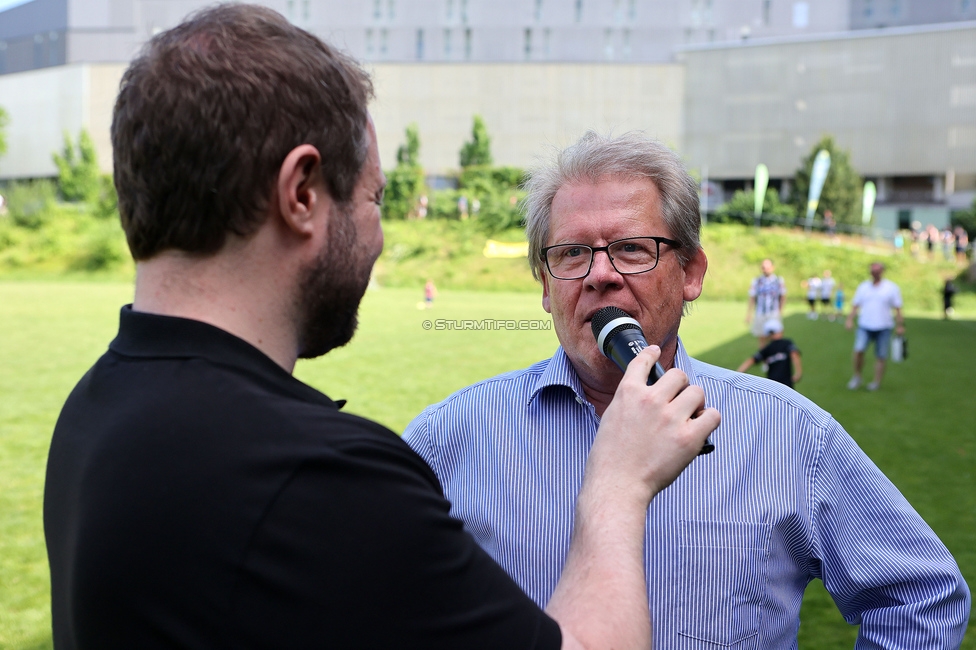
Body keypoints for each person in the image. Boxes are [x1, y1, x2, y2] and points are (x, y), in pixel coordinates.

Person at [42, 8, 719, 649]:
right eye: (373, 197)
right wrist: (618, 485)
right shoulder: (319, 480)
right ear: (302, 193)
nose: (379, 237)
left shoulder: (95, 410)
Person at [403, 132, 970, 649]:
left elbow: (922, 601)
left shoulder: (792, 434)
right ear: (546, 287)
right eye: (572, 253)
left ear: (691, 272)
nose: (600, 274)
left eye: (631, 248)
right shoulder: (448, 438)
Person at [845, 262, 905, 391]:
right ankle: (857, 376)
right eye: (873, 271)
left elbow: (898, 308)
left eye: (877, 271)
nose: (875, 273)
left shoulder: (891, 288)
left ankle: (876, 382)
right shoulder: (863, 287)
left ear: (882, 271)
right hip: (865, 325)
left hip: (884, 326)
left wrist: (900, 325)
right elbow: (855, 305)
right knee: (858, 351)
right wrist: (849, 319)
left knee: (881, 356)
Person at [736, 318, 802, 388]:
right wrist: (798, 373)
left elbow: (750, 361)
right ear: (781, 330)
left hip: (771, 386)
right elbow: (794, 355)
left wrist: (736, 375)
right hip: (787, 386)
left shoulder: (767, 349)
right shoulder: (787, 343)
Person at [745, 258, 786, 345]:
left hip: (773, 313)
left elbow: (783, 297)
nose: (766, 269)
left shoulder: (778, 280)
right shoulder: (756, 281)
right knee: (762, 338)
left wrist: (780, 311)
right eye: (764, 267)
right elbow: (752, 298)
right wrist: (749, 314)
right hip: (760, 313)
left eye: (768, 267)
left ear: (772, 267)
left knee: (776, 338)